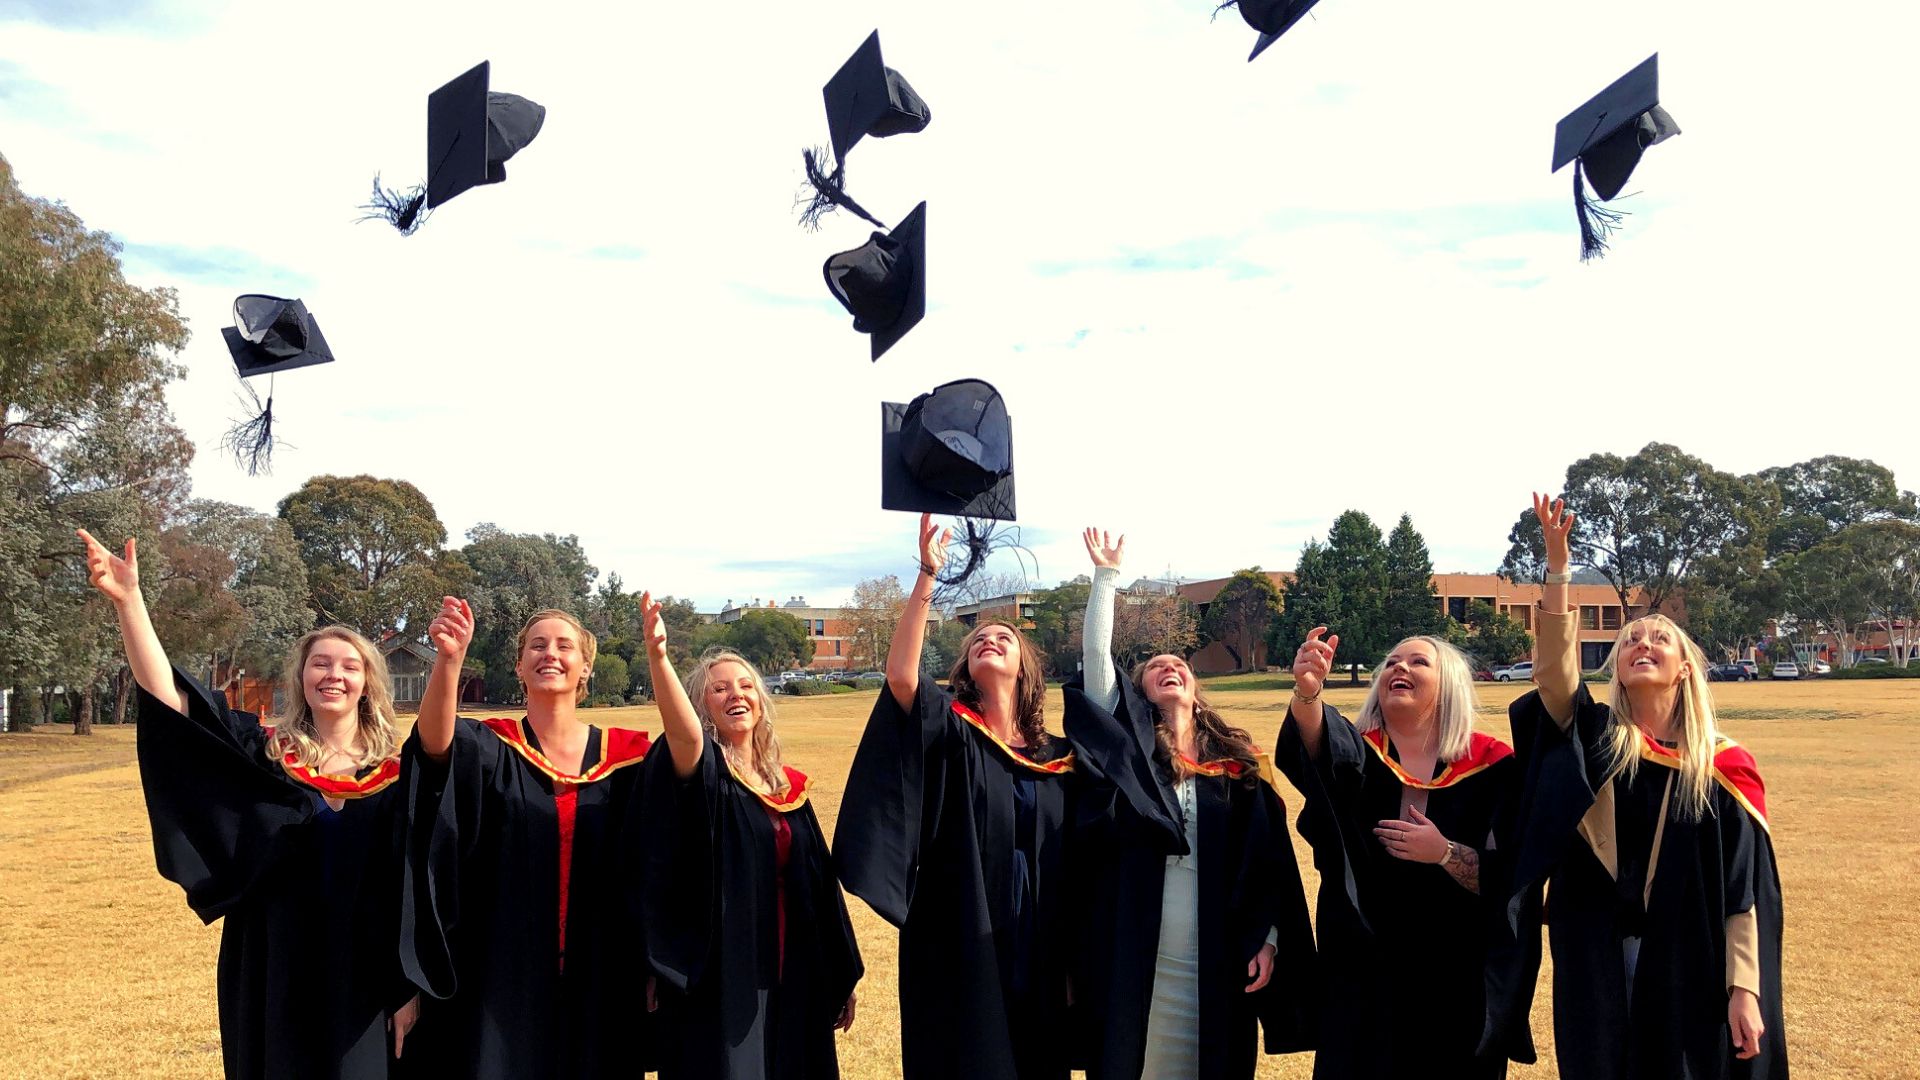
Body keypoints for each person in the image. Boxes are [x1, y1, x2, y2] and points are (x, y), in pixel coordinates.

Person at [80, 529, 420, 1079]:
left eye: (349, 666)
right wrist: (131, 604)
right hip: (270, 960)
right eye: (320, 664)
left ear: (368, 684)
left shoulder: (401, 774)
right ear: (301, 678)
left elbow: (416, 890)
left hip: (367, 971)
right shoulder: (262, 754)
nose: (333, 675)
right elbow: (173, 704)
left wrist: (407, 985)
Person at [1500, 494, 1787, 1079]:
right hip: (1595, 954)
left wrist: (1745, 989)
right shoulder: (1595, 740)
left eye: (1659, 639)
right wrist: (1558, 572)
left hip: (1691, 958)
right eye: (1630, 641)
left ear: (1685, 668)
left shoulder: (1724, 768)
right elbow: (1555, 676)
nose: (1642, 645)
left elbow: (1743, 890)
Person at [1063, 528, 1316, 1079]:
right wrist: (1106, 579)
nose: (1168, 666)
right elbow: (1096, 662)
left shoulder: (1239, 764)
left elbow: (1268, 860)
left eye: (1179, 663)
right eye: (1154, 667)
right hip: (1136, 944)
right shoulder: (1129, 757)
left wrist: (1268, 937)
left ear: (1197, 689)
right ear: (1139, 692)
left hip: (1217, 948)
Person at [834, 513, 1077, 1080]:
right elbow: (901, 677)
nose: (990, 641)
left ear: (1026, 669)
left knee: (1036, 1056)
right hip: (960, 925)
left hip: (1038, 933)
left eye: (1004, 638)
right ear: (966, 666)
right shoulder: (951, 728)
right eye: (978, 641)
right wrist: (926, 577)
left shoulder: (1056, 756)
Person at [402, 600, 653, 1078]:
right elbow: (434, 746)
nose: (550, 654)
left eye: (564, 646)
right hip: (500, 967)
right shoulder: (490, 746)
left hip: (601, 968)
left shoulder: (627, 760)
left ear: (585, 668)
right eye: (536, 645)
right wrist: (449, 661)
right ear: (519, 665)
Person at [635, 592, 863, 1080]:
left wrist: (838, 969)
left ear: (761, 701)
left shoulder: (787, 786)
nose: (735, 694)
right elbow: (683, 735)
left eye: (745, 686)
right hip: (722, 969)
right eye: (719, 690)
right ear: (702, 704)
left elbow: (822, 888)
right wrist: (659, 658)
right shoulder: (702, 771)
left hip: (793, 965)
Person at [1277, 625, 1521, 1079]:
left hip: (1455, 975)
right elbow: (1313, 750)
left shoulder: (1492, 766)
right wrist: (1308, 694)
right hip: (1361, 970)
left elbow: (1509, 877)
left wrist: (1445, 853)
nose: (1399, 668)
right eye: (1391, 663)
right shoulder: (1359, 753)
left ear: (1447, 685)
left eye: (1418, 662)